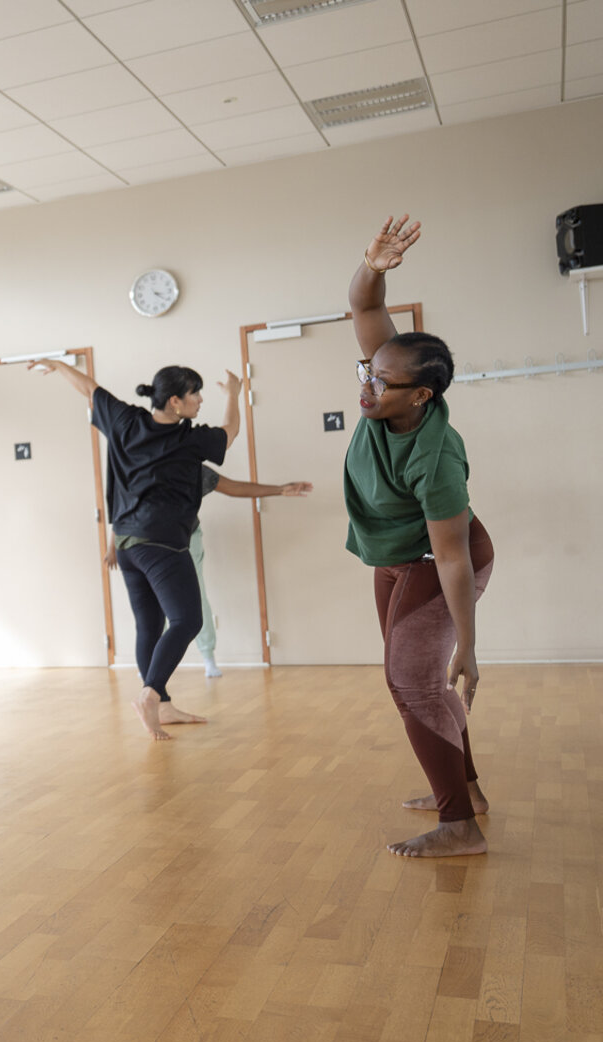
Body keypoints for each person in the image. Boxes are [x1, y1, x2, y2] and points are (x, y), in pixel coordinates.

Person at [345, 214, 493, 859]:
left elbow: (455, 558)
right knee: (414, 681)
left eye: (381, 382)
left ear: (421, 396)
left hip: (441, 560)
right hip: (398, 557)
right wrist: (373, 266)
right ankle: (467, 791)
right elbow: (364, 305)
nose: (367, 387)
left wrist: (468, 645)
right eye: (367, 372)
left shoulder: (437, 458)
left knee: (413, 684)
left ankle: (460, 825)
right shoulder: (386, 396)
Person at [33, 358, 241, 740]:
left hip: (128, 544)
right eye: (195, 393)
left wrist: (59, 365)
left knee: (149, 625)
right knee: (187, 620)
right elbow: (230, 432)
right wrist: (234, 394)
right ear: (175, 401)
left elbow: (88, 388)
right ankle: (150, 695)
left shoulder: (126, 421)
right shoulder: (189, 439)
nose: (200, 400)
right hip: (162, 543)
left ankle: (163, 706)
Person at [105, 471, 313, 676]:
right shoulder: (136, 465)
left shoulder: (190, 467)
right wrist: (111, 546)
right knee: (151, 619)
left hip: (183, 539)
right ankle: (151, 676)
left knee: (192, 605)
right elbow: (122, 508)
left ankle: (205, 657)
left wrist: (279, 490)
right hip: (138, 543)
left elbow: (233, 487)